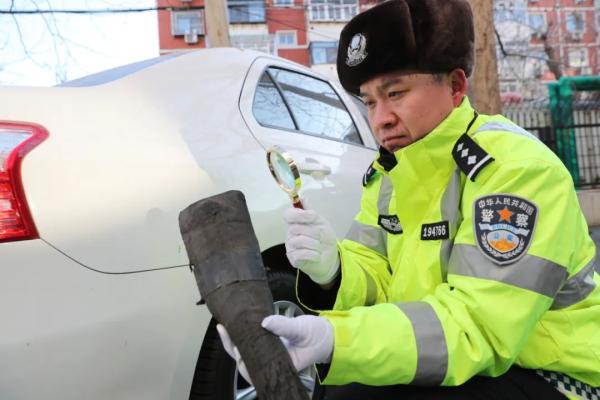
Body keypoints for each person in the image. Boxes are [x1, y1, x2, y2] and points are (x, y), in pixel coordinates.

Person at [218, 0, 600, 399]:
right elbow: (377, 276)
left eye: (395, 93)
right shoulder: (388, 175)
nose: (380, 118)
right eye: (369, 101)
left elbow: (478, 328)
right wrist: (333, 270)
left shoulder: (514, 170)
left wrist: (338, 338)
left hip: (549, 372)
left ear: (455, 86)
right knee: (341, 387)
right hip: (459, 358)